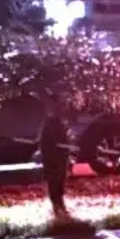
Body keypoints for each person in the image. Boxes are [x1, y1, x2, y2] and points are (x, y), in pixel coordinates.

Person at [36, 88, 71, 219]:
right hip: (51, 155)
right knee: (53, 177)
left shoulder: (60, 122)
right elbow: (44, 142)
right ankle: (56, 204)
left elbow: (65, 139)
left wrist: (66, 147)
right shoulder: (49, 123)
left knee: (61, 176)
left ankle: (60, 202)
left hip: (62, 154)